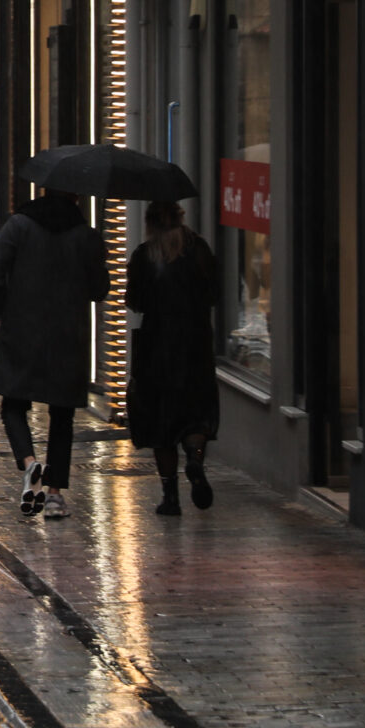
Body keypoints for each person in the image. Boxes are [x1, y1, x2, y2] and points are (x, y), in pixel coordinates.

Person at [0, 190, 108, 520]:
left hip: (23, 330)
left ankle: (30, 463)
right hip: (69, 335)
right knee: (62, 416)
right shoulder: (85, 235)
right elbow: (100, 290)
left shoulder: (19, 225)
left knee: (13, 405)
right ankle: (54, 496)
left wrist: (8, 307)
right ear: (76, 199)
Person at [126, 200, 219, 515]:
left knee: (161, 425)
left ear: (150, 223)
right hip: (196, 347)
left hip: (157, 350)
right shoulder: (199, 250)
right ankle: (194, 458)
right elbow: (215, 293)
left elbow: (133, 301)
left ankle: (170, 497)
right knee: (195, 415)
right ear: (180, 218)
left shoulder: (143, 256)